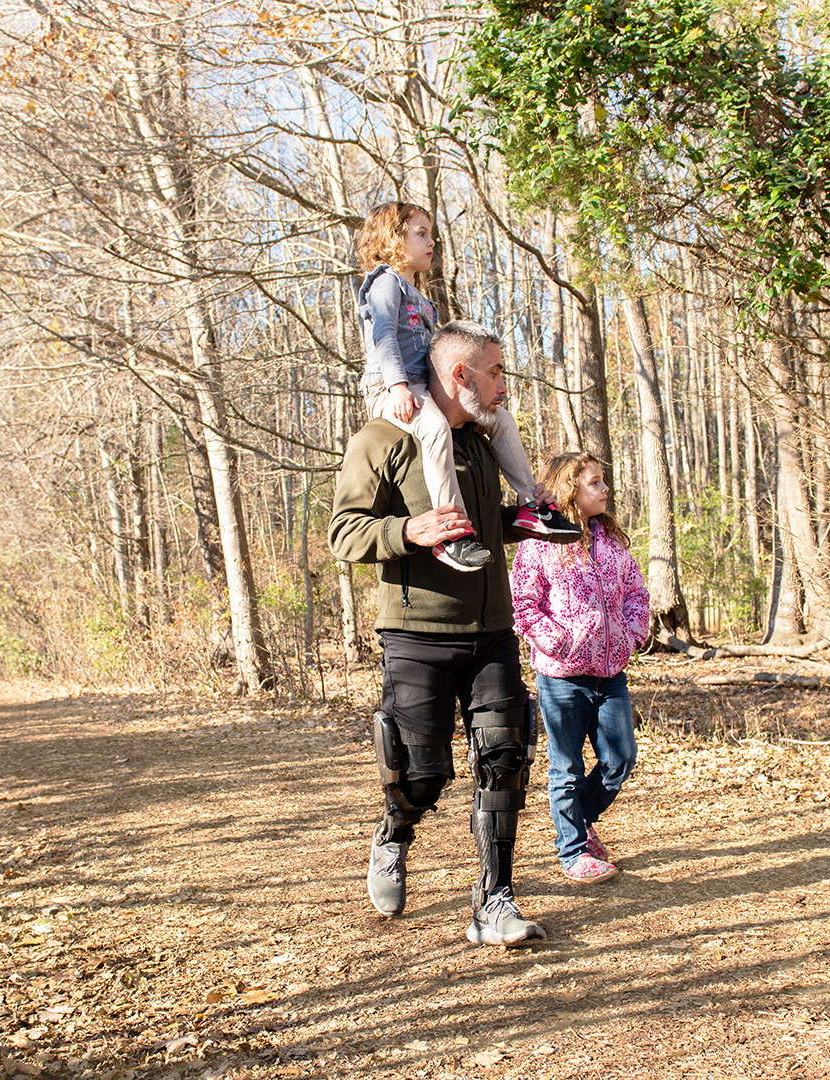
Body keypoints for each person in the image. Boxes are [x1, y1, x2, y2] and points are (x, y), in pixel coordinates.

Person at [331, 320, 571, 948]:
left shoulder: (483, 443)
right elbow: (344, 533)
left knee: (504, 758)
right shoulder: (383, 438)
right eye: (495, 373)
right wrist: (409, 532)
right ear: (460, 375)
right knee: (423, 771)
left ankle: (494, 901)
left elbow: (483, 521)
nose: (503, 389)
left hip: (492, 631)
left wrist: (524, 523)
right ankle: (395, 830)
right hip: (416, 634)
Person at [356, 201, 578, 573]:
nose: (431, 242)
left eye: (431, 235)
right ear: (394, 238)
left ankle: (533, 507)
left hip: (422, 389)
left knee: (502, 419)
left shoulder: (421, 297)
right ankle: (452, 533)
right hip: (390, 389)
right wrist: (396, 387)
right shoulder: (384, 282)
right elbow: (383, 338)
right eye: (421, 234)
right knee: (435, 428)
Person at [510, 452, 649, 884]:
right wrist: (562, 643)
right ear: (571, 490)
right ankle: (572, 853)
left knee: (620, 759)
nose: (605, 488)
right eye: (594, 482)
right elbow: (524, 606)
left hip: (610, 674)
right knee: (565, 768)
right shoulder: (540, 543)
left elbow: (636, 595)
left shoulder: (612, 541)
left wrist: (630, 636)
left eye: (603, 481)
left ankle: (580, 822)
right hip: (561, 677)